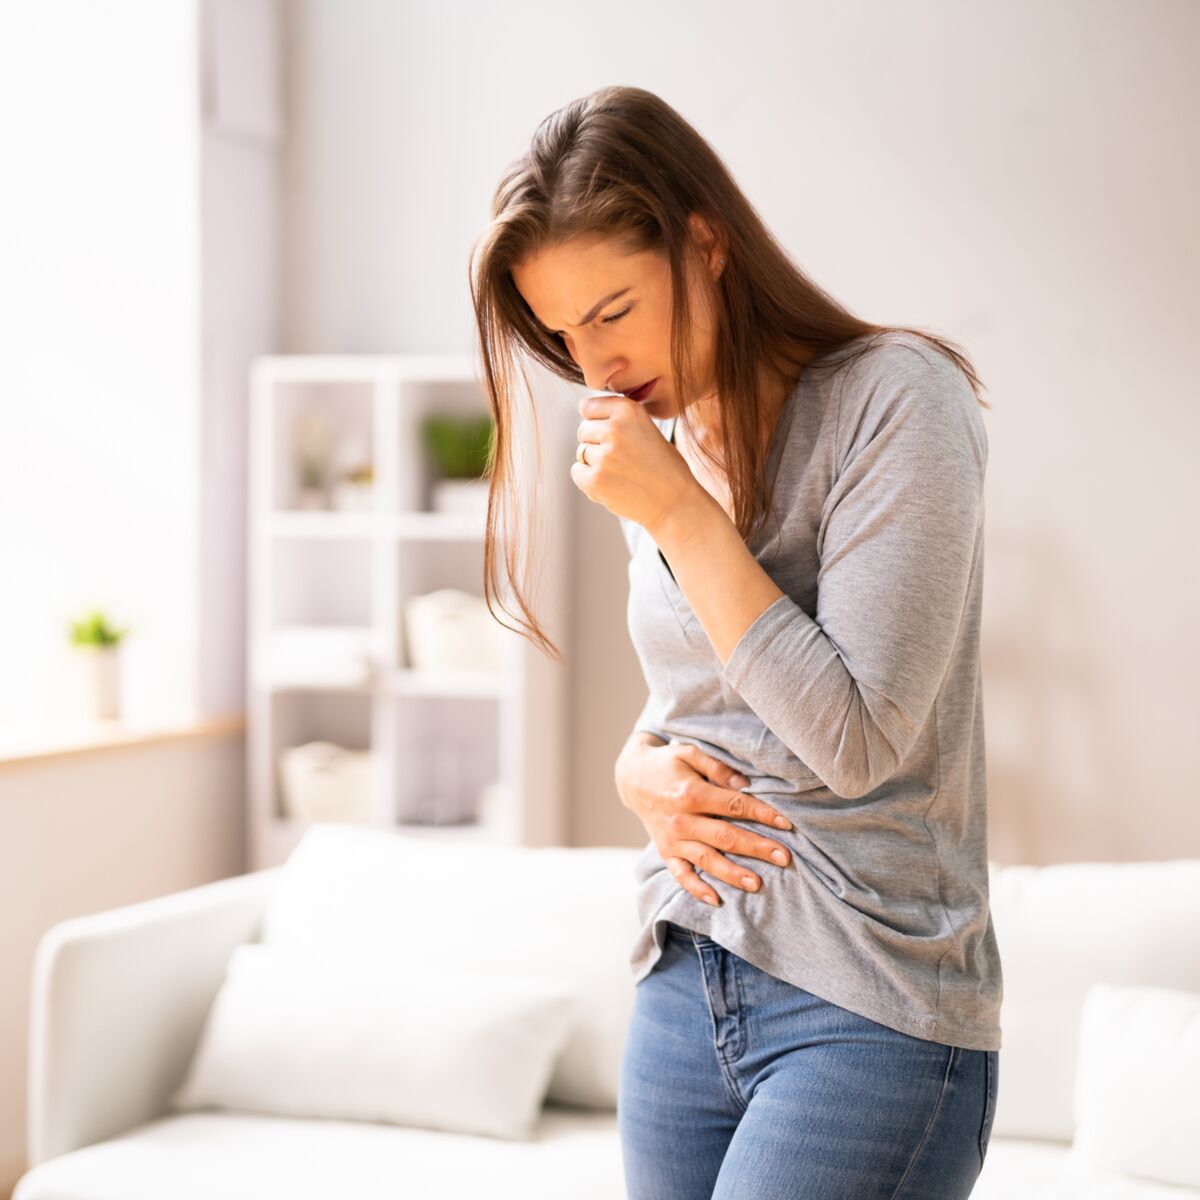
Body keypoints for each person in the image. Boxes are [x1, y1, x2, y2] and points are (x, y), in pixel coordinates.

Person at [469, 85, 1001, 1199]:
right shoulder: (665, 440)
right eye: (563, 334)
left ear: (703, 243)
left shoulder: (898, 402)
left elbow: (856, 740)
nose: (596, 366)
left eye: (612, 312)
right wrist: (635, 770)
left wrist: (678, 514)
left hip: (868, 1000)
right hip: (683, 978)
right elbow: (704, 695)